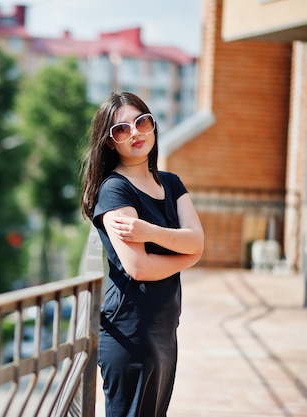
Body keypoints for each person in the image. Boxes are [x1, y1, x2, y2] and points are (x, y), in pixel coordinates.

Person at [80, 92, 204, 417]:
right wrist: (186, 253)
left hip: (165, 328)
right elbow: (137, 266)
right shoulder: (114, 190)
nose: (135, 133)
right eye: (121, 129)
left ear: (152, 125)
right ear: (109, 143)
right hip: (130, 332)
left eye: (141, 122)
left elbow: (198, 241)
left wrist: (149, 233)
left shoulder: (172, 184)